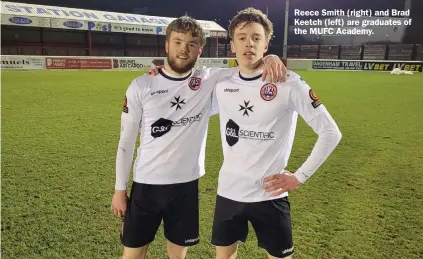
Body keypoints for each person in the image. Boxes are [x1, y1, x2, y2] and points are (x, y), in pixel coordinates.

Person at [111, 15, 287, 259]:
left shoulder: (209, 80)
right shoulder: (142, 85)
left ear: (200, 50)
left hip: (186, 184)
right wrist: (120, 189)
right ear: (167, 45)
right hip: (146, 185)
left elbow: (247, 67)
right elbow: (126, 142)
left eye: (191, 44)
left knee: (178, 253)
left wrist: (270, 56)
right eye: (178, 42)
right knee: (132, 254)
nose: (184, 49)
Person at [211, 8, 342, 259]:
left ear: (266, 43)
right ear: (232, 45)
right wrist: (156, 72)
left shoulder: (288, 82)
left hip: (269, 195)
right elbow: (184, 95)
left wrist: (300, 176)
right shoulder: (221, 82)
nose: (249, 43)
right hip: (229, 192)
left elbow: (330, 132)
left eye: (256, 38)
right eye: (242, 37)